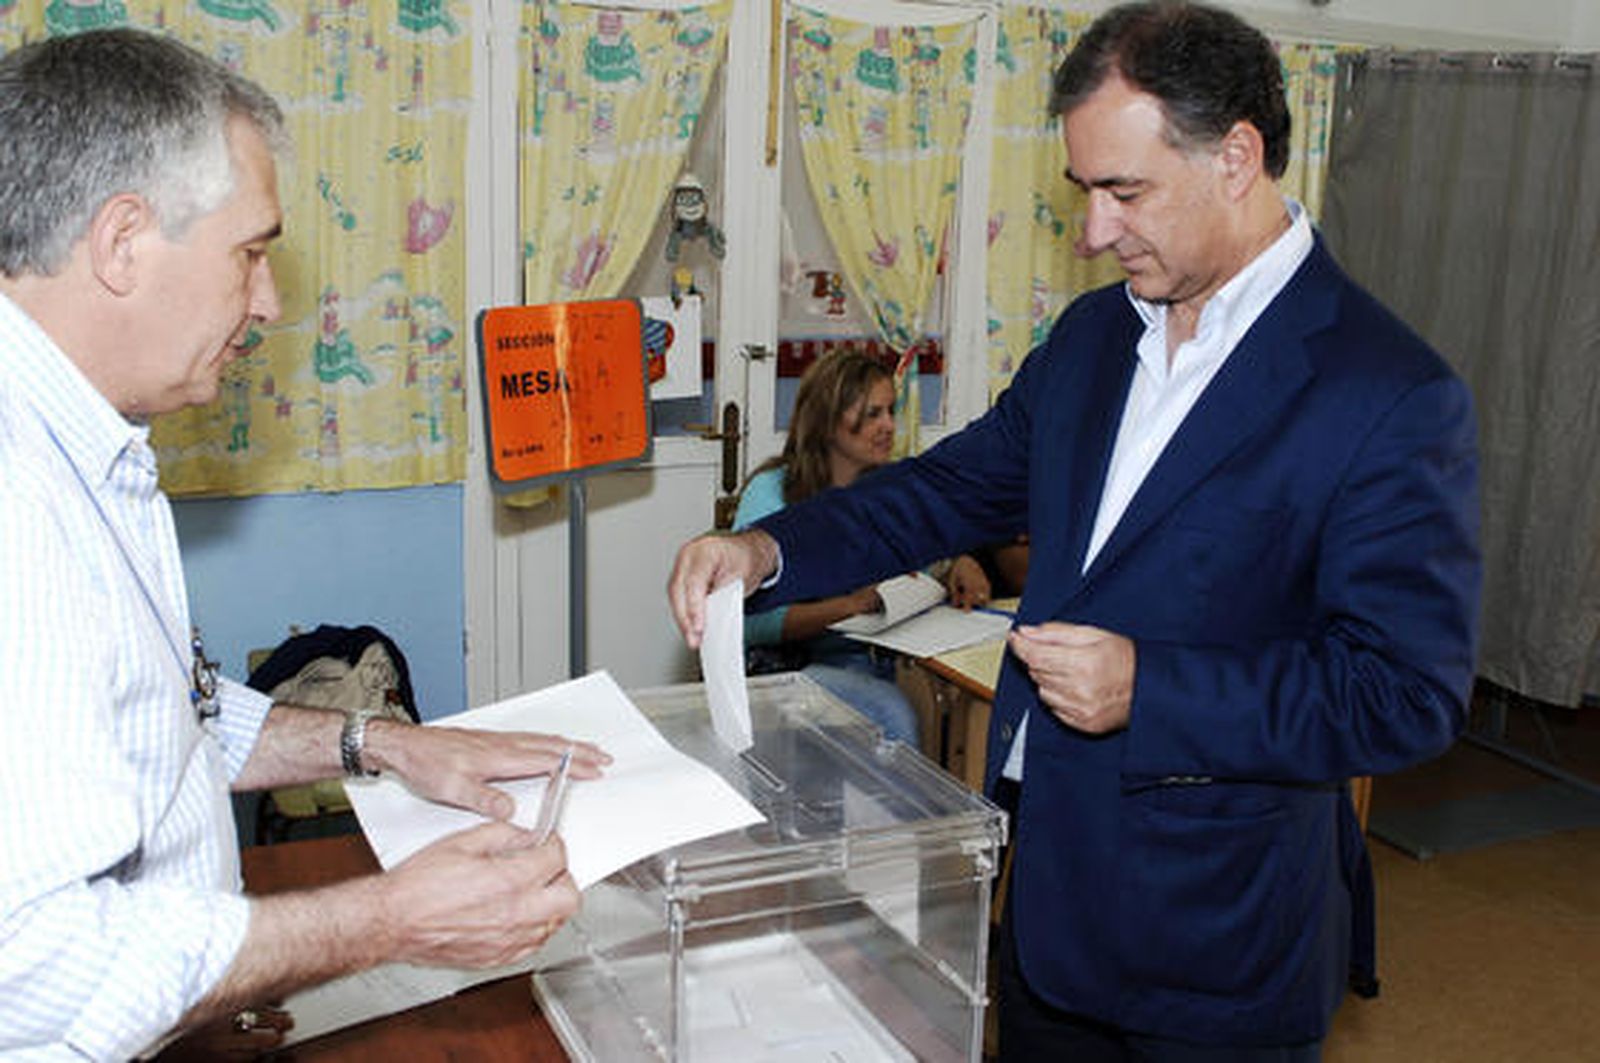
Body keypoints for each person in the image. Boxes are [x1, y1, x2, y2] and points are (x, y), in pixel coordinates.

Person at [669, 3, 1482, 1058]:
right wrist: (767, 548)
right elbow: (943, 490)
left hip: (1214, 943)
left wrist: (1152, 688)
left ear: (1236, 156)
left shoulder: (1389, 391)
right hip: (1045, 914)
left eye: (1124, 191)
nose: (1094, 231)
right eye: (1083, 192)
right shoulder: (1095, 334)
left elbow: (1404, 694)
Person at [0, 30, 609, 1059]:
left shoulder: (82, 440)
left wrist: (379, 742)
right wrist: (386, 919)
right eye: (250, 252)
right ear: (121, 242)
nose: (269, 301)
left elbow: (162, 714)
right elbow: (36, 969)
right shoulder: (18, 502)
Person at [736, 348, 992, 745]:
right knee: (891, 713)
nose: (889, 426)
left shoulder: (893, 489)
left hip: (892, 661)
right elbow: (750, 624)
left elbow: (919, 571)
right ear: (826, 418)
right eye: (873, 414)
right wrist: (853, 605)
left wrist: (961, 560)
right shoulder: (772, 491)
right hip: (797, 666)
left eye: (891, 411)